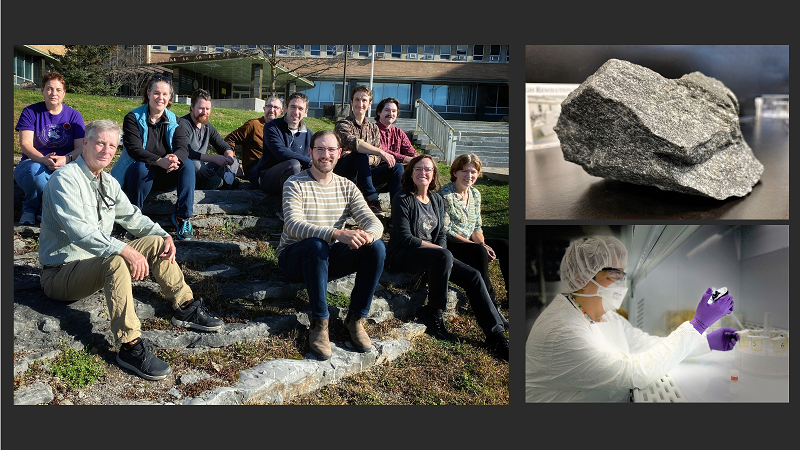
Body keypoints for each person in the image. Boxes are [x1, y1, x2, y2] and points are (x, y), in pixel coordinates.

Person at [39, 119, 223, 381]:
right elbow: (79, 232)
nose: (106, 150)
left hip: (94, 263)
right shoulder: (65, 179)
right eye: (100, 143)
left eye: (112, 146)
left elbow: (133, 218)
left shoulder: (108, 182)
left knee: (157, 243)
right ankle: (129, 347)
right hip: (60, 273)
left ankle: (184, 306)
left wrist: (164, 234)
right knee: (115, 260)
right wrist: (124, 249)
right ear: (86, 144)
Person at [525, 235, 740, 402]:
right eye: (614, 276)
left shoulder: (604, 316)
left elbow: (645, 345)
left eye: (622, 276)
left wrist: (704, 340)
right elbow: (636, 372)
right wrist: (698, 324)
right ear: (582, 277)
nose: (621, 284)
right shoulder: (562, 332)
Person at [385, 154, 509, 361]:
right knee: (443, 255)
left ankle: (496, 335)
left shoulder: (435, 199)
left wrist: (441, 251)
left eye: (428, 170)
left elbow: (441, 234)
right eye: (418, 169)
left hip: (435, 255)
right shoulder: (402, 198)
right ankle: (433, 311)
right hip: (403, 254)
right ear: (411, 172)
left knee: (473, 275)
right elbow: (405, 238)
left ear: (434, 175)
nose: (423, 173)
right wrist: (440, 251)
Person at [276, 129, 385, 361]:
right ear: (311, 152)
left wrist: (369, 236)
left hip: (326, 258)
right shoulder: (294, 183)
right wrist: (336, 233)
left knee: (376, 248)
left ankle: (355, 320)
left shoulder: (347, 186)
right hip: (294, 258)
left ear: (340, 153)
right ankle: (319, 323)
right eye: (320, 149)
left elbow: (372, 221)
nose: (326, 154)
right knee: (317, 244)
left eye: (331, 149)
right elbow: (294, 225)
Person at [110, 74, 196, 240]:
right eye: (156, 93)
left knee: (188, 165)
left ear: (170, 97)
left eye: (165, 94)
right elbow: (134, 149)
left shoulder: (174, 120)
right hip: (138, 175)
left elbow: (183, 148)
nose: (160, 98)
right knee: (141, 166)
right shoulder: (132, 118)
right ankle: (134, 218)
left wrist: (174, 159)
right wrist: (159, 161)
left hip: (165, 174)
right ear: (148, 93)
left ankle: (182, 217)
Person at [440, 154, 509, 327]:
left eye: (473, 172)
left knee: (505, 245)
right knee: (478, 251)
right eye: (464, 171)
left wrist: (483, 244)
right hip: (453, 245)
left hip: (471, 243)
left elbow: (477, 226)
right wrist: (477, 247)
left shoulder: (475, 194)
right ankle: (491, 304)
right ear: (455, 172)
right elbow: (446, 230)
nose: (469, 176)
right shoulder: (445, 195)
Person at [14, 72, 85, 225]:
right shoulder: (30, 112)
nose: (54, 93)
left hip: (64, 164)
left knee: (64, 176)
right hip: (32, 163)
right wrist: (43, 160)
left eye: (58, 90)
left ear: (64, 93)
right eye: (49, 89)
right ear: (42, 90)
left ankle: (45, 210)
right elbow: (25, 144)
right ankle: (30, 209)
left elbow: (80, 148)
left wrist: (66, 159)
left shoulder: (74, 116)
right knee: (36, 172)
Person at [334, 86, 404, 216]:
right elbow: (354, 143)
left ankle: (398, 212)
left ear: (370, 103)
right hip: (345, 174)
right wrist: (378, 152)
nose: (360, 104)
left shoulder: (373, 128)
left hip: (367, 175)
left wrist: (368, 156)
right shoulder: (342, 124)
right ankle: (372, 199)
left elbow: (377, 160)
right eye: (357, 100)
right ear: (351, 101)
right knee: (358, 155)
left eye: (364, 100)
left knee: (397, 167)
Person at [249, 92, 312, 197]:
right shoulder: (272, 127)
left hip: (297, 179)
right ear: (286, 108)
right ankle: (287, 208)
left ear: (305, 112)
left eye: (300, 109)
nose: (296, 112)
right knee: (293, 165)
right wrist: (310, 161)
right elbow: (281, 153)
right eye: (293, 107)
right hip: (269, 176)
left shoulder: (308, 134)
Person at [178, 89, 240, 190]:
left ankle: (218, 181)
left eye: (207, 109)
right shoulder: (183, 124)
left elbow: (223, 145)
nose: (205, 112)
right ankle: (224, 181)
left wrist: (228, 155)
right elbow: (186, 152)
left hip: (205, 166)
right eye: (201, 108)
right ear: (192, 107)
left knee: (234, 160)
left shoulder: (207, 126)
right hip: (191, 165)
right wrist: (214, 158)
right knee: (194, 165)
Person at [224, 96, 284, 180]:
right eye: (269, 106)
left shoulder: (281, 129)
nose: (271, 110)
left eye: (275, 107)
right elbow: (229, 139)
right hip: (255, 169)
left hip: (273, 168)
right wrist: (233, 163)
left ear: (280, 111)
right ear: (264, 108)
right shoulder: (254, 125)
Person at [374, 97, 419, 164]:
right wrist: (405, 159)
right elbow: (382, 150)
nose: (391, 114)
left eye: (394, 111)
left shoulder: (399, 133)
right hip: (376, 168)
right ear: (379, 112)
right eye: (387, 110)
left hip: (395, 169)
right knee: (398, 167)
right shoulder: (372, 130)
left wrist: (419, 159)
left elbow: (410, 151)